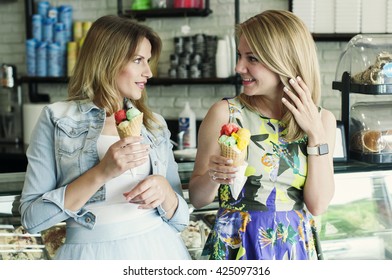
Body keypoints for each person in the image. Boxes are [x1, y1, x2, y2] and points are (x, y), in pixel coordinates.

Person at [19, 15, 190, 260]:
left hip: (157, 248)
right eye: (138, 60)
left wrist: (166, 192)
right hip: (88, 255)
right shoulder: (57, 119)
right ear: (107, 61)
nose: (149, 72)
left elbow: (181, 220)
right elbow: (32, 219)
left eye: (148, 61)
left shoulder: (154, 124)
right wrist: (102, 171)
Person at [188, 10, 336, 260]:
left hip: (293, 247)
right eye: (239, 55)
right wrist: (214, 175)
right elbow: (198, 198)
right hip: (236, 244)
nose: (239, 67)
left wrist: (315, 133)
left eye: (252, 58)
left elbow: (318, 204)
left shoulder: (323, 120)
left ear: (285, 61)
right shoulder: (225, 114)